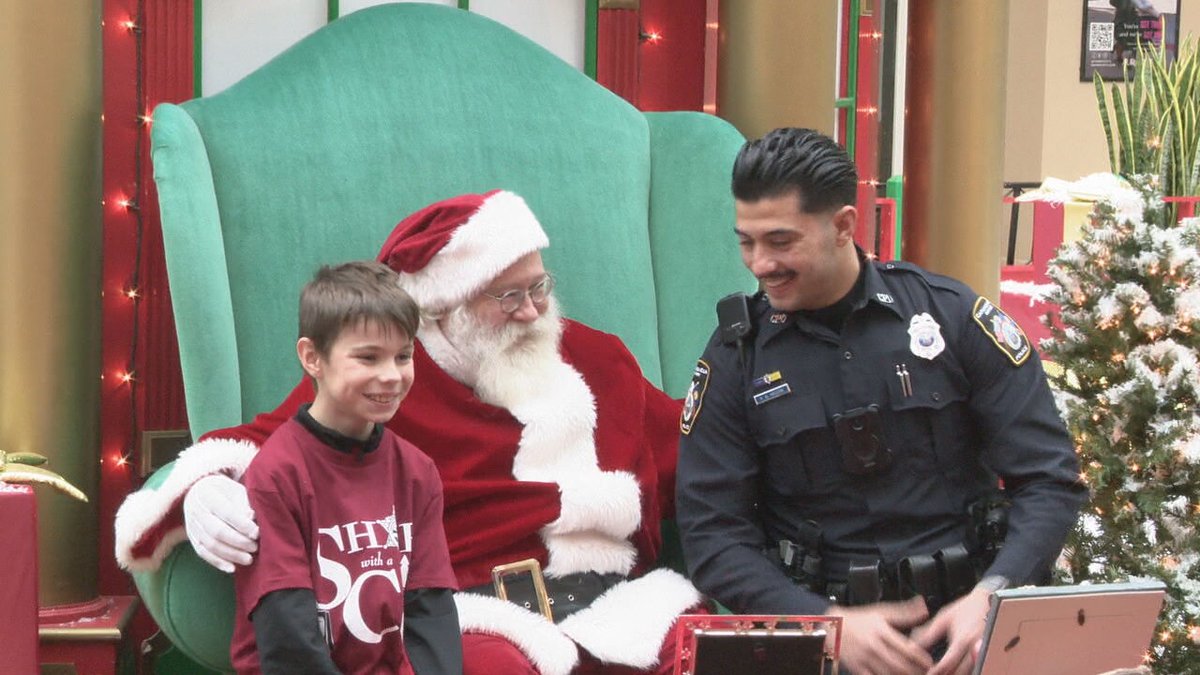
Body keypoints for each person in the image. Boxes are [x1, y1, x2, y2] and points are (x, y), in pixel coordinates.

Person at [116, 190, 698, 675]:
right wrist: (203, 486)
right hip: (478, 619)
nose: (532, 312)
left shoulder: (597, 360)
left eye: (539, 287)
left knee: (726, 651)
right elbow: (275, 442)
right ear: (447, 309)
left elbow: (696, 450)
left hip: (623, 606)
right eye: (508, 296)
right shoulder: (388, 381)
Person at [675, 128, 1087, 675]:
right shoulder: (736, 358)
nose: (759, 263)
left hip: (973, 631)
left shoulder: (950, 318)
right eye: (746, 241)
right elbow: (712, 535)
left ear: (844, 225)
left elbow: (1049, 480)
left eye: (780, 241)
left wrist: (995, 593)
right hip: (823, 643)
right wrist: (823, 623)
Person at [231, 261, 460, 674]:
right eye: (368, 358)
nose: (391, 375)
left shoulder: (417, 472)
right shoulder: (276, 474)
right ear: (312, 357)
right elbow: (287, 636)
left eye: (403, 355)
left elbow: (431, 611)